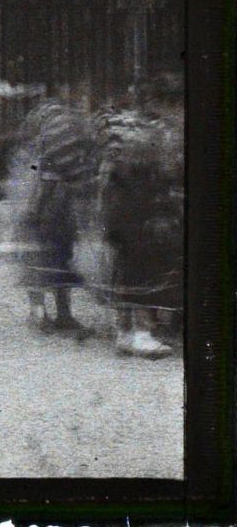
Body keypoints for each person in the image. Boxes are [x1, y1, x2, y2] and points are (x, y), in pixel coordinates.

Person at [96, 72, 184, 358]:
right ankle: (143, 332)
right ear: (167, 102)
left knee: (126, 266)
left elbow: (109, 168)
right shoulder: (160, 130)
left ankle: (125, 331)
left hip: (120, 205)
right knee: (148, 268)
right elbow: (169, 169)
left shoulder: (125, 124)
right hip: (145, 207)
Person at [10, 91, 100, 335]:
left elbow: (36, 180)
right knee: (61, 257)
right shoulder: (72, 133)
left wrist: (29, 209)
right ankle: (62, 313)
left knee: (37, 258)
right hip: (60, 206)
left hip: (45, 205)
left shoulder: (41, 141)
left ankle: (38, 311)